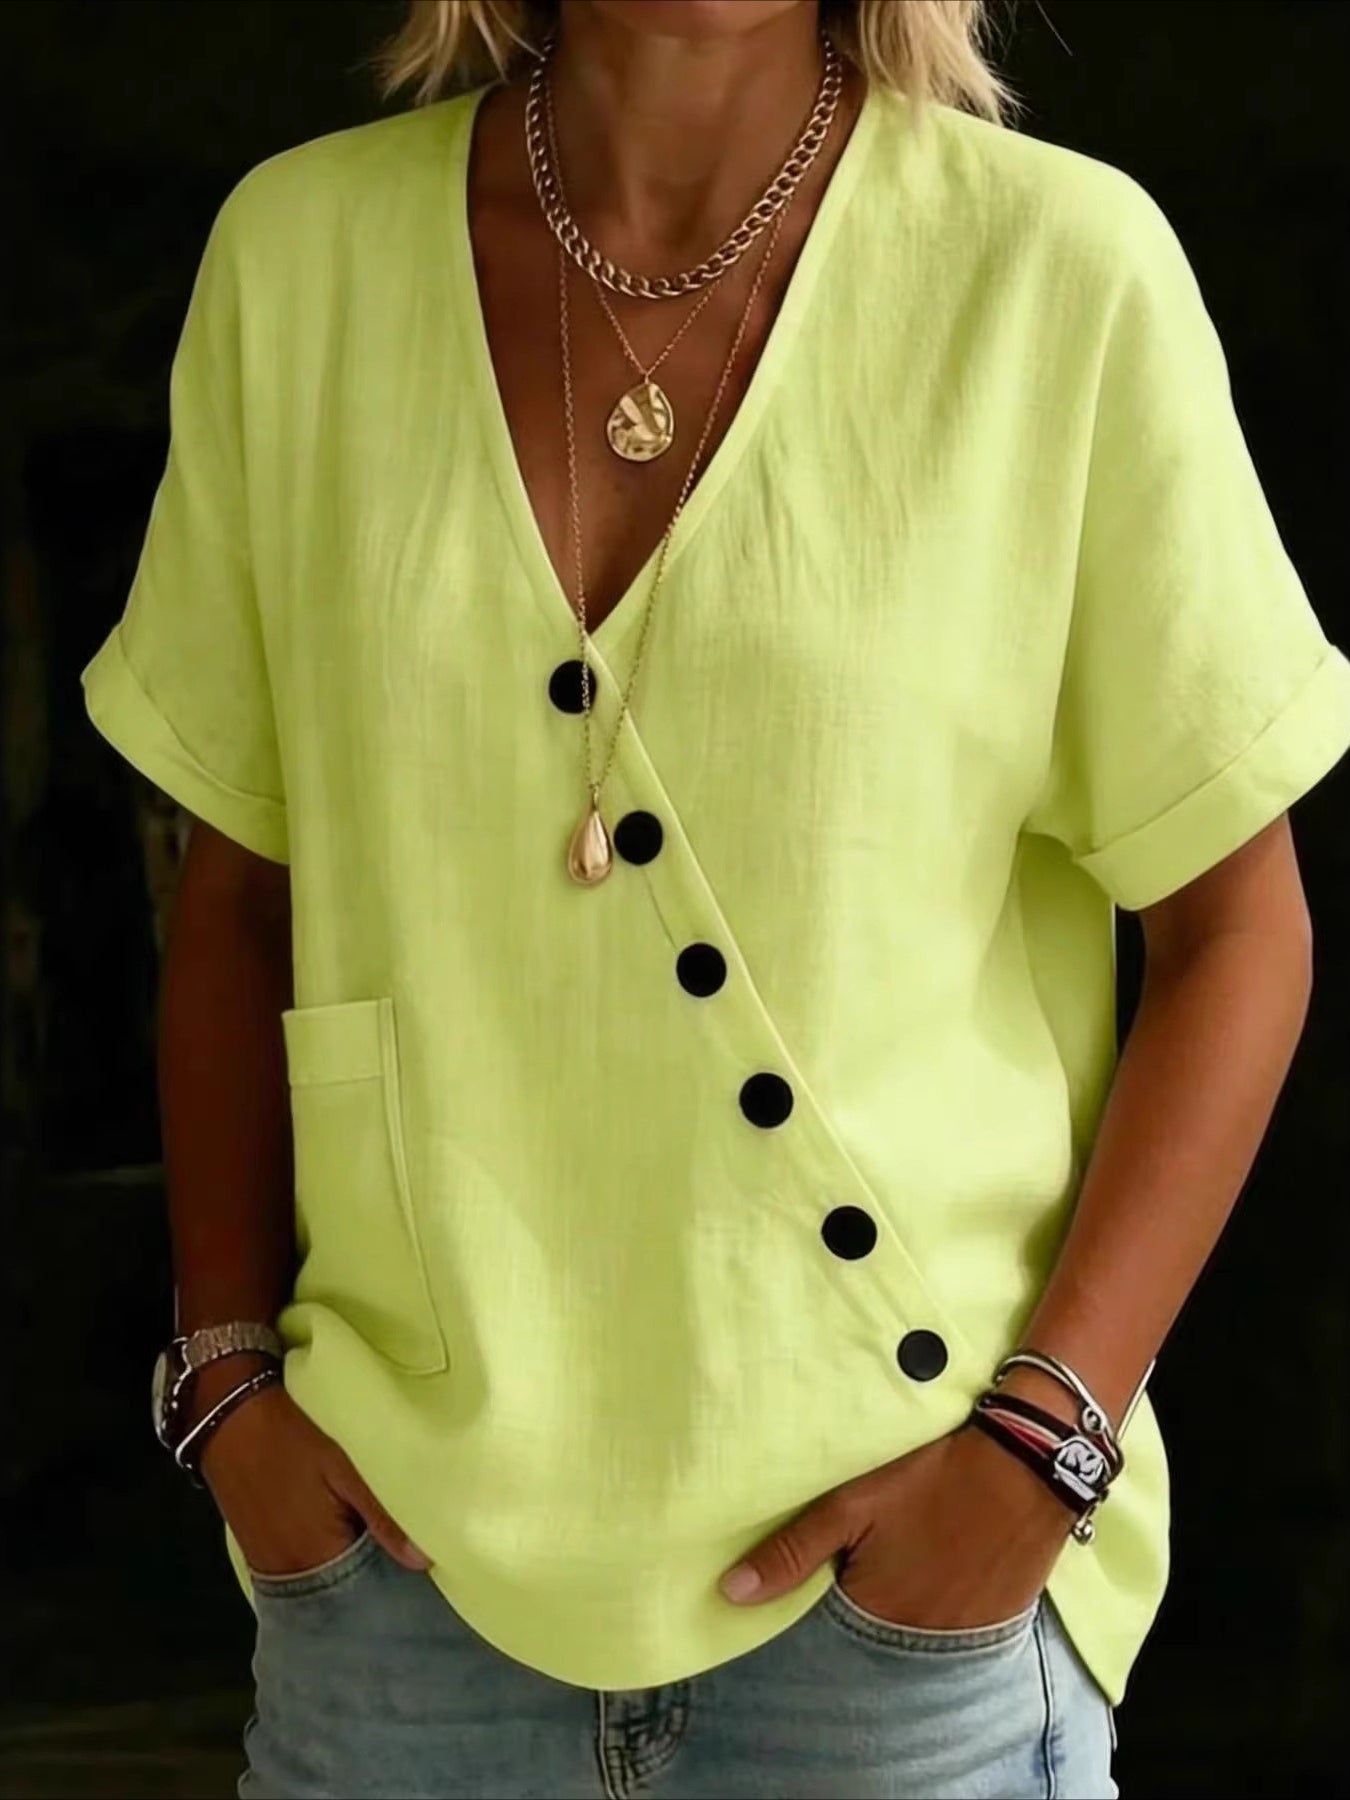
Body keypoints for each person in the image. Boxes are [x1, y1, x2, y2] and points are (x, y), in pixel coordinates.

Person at [79, 1, 1350, 1796]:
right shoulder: (298, 262)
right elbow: (237, 894)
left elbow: (1235, 933)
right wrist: (223, 1386)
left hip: (902, 1613)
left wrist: (1040, 1450)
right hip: (398, 1606)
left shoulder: (1058, 272)